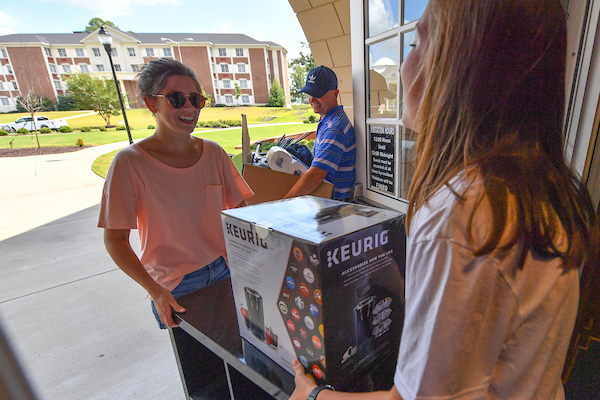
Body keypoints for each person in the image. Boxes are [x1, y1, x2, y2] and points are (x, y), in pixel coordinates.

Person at [290, 0, 596, 399]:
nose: (402, 65)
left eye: (416, 45)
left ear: (458, 66)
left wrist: (313, 396)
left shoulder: (462, 213)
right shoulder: (534, 187)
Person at [98, 58, 253, 329]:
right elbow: (115, 239)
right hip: (175, 285)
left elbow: (243, 212)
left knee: (237, 357)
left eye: (196, 99)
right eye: (176, 98)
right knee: (197, 365)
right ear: (150, 104)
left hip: (225, 268)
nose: (190, 108)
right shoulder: (130, 163)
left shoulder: (214, 152)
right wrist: (155, 290)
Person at [283, 65, 356, 201]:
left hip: (334, 208)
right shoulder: (328, 120)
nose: (312, 99)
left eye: (318, 94)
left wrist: (281, 204)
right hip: (326, 203)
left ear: (335, 94)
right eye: (310, 93)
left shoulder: (335, 128)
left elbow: (315, 177)